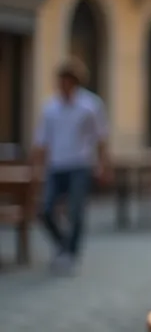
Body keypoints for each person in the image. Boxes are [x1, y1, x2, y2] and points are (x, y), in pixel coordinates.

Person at [29, 58, 110, 275]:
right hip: (56, 165)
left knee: (75, 211)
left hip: (80, 164)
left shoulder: (90, 106)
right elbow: (41, 140)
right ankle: (63, 244)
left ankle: (71, 253)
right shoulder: (50, 107)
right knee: (45, 210)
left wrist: (102, 165)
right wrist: (37, 167)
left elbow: (100, 138)